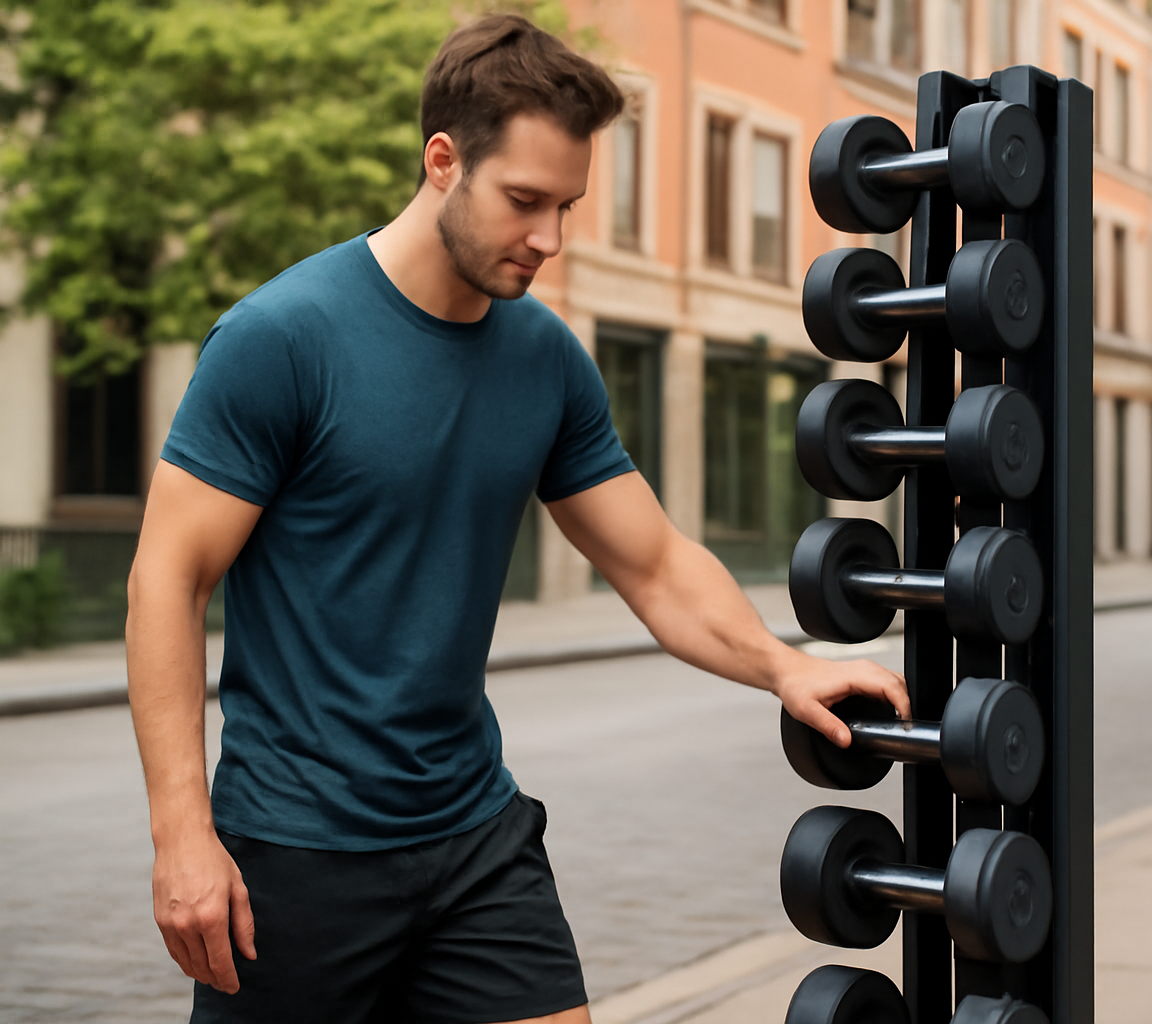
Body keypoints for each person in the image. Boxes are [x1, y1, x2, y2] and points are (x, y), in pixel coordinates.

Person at [124, 15, 908, 1024]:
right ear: (442, 162)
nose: (548, 237)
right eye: (524, 202)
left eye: (567, 205)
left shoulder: (544, 360)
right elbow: (166, 578)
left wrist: (784, 664)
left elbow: (657, 563)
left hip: (473, 835)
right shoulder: (282, 338)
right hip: (297, 853)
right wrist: (181, 831)